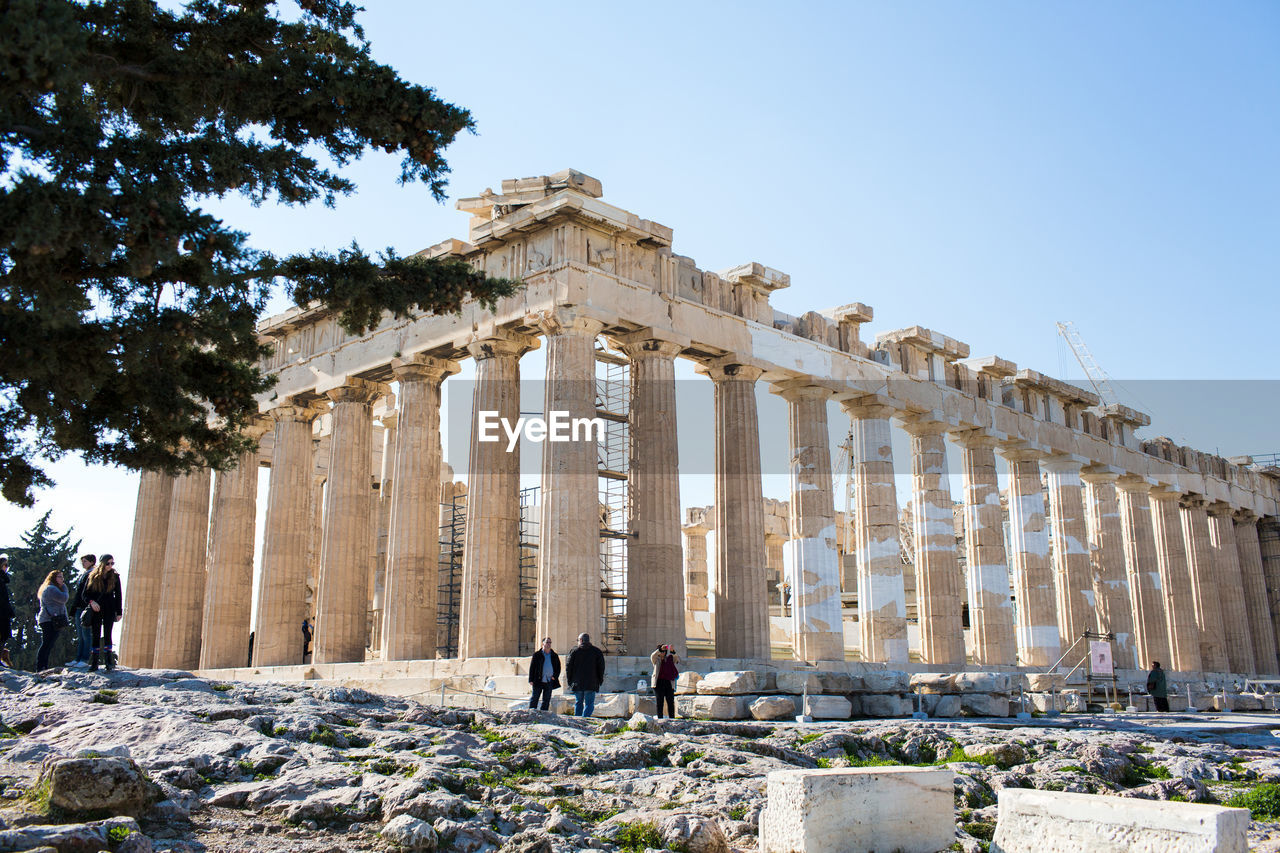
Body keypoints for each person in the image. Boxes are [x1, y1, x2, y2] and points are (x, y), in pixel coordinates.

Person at [84, 555, 124, 672]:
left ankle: (109, 662)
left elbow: (119, 595)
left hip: (110, 609)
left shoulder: (115, 577)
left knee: (108, 634)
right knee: (96, 635)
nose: (110, 566)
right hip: (96, 609)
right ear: (102, 563)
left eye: (112, 563)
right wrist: (92, 602)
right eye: (108, 563)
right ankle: (94, 663)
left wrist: (119, 612)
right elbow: (85, 594)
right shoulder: (93, 576)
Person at [564, 632, 606, 717]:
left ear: (581, 640)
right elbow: (601, 668)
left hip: (577, 682)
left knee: (578, 702)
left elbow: (568, 667)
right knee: (589, 704)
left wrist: (569, 680)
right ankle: (585, 719)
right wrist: (600, 680)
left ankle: (577, 720)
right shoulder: (597, 651)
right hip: (591, 683)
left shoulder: (574, 651)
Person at [35, 569, 70, 671]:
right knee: (46, 643)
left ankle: (43, 666)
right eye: (60, 577)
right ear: (54, 578)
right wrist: (65, 588)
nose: (62, 579)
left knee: (49, 644)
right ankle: (41, 666)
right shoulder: (51, 588)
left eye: (62, 577)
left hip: (52, 619)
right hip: (48, 620)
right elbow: (64, 598)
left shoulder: (52, 588)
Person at [71, 554, 96, 665]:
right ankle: (78, 658)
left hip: (86, 607)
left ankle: (85, 659)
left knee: (86, 635)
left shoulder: (93, 574)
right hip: (79, 607)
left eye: (85, 561)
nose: (83, 563)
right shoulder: (83, 574)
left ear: (91, 562)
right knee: (80, 635)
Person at [528, 637, 561, 711]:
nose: (549, 644)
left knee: (546, 699)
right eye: (547, 642)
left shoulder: (554, 655)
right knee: (535, 698)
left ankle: (544, 714)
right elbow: (532, 667)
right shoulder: (537, 655)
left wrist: (555, 676)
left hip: (549, 680)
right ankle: (531, 713)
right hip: (538, 679)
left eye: (550, 642)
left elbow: (558, 668)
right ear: (543, 643)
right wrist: (531, 679)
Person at [650, 643, 679, 719]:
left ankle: (672, 718)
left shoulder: (669, 659)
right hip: (658, 682)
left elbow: (676, 659)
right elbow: (653, 655)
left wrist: (672, 651)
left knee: (670, 701)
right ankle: (660, 719)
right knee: (660, 702)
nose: (663, 653)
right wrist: (660, 649)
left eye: (664, 651)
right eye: (662, 651)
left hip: (668, 682)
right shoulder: (656, 660)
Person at [0, 554, 13, 667]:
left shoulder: (3, 579)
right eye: (5, 565)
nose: (6, 568)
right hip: (1, 612)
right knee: (3, 635)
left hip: (4, 611)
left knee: (4, 636)